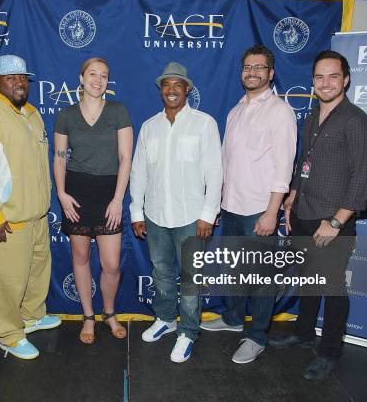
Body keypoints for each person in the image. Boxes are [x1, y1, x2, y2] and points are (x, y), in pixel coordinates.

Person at [269, 50, 367, 380]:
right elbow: (306, 162)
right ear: (313, 81)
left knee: (331, 288)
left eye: (333, 76)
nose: (325, 83)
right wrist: (292, 197)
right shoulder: (314, 116)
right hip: (303, 212)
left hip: (332, 221)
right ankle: (303, 334)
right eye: (319, 77)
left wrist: (336, 221)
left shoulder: (357, 121)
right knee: (307, 281)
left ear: (346, 79)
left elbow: (363, 178)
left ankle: (329, 351)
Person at [200, 45, 297, 364]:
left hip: (259, 209)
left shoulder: (279, 111)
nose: (252, 71)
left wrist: (272, 212)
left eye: (259, 67)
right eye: (247, 66)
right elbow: (226, 165)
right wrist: (217, 206)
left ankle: (256, 337)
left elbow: (284, 167)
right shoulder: (235, 111)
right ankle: (232, 318)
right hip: (231, 207)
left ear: (271, 73)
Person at [0, 55, 60, 360]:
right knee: (5, 279)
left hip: (36, 214)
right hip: (6, 218)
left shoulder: (31, 114)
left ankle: (30, 316)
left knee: (36, 272)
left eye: (22, 77)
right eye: (11, 77)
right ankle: (8, 334)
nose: (19, 82)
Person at [130, 62, 222, 363]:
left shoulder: (204, 123)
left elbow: (215, 172)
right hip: (156, 215)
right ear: (161, 89)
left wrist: (209, 213)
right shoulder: (149, 126)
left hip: (192, 217)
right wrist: (136, 211)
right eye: (166, 85)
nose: (171, 90)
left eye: (178, 85)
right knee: (161, 272)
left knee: (191, 277)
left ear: (187, 89)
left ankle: (189, 332)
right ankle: (167, 319)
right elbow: (139, 172)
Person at [53, 57, 133, 344]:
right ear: (81, 77)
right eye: (92, 74)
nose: (98, 80)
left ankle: (108, 313)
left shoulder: (118, 111)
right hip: (76, 194)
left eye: (104, 75)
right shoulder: (65, 115)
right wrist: (61, 194)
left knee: (111, 264)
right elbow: (60, 158)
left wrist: (117, 199)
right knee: (81, 257)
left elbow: (125, 159)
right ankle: (88, 316)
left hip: (109, 194)